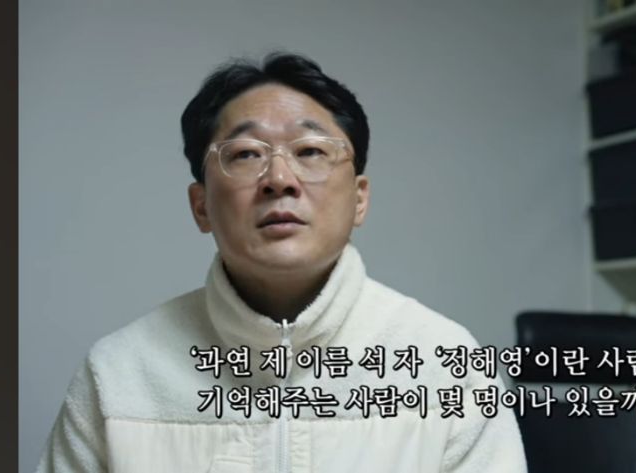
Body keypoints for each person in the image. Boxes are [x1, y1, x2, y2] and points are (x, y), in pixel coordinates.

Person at [36, 52, 528, 472]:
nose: (279, 178)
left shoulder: (446, 367)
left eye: (310, 150)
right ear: (201, 205)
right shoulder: (118, 377)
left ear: (359, 199)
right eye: (246, 154)